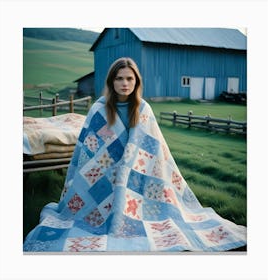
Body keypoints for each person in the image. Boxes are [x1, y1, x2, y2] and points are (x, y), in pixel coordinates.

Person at [23, 57, 246, 252]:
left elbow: (154, 150)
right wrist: (113, 170)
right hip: (103, 176)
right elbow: (89, 151)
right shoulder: (99, 110)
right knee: (83, 213)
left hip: (139, 174)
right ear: (111, 81)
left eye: (130, 79)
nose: (125, 83)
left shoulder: (143, 109)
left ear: (136, 82)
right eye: (119, 78)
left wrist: (128, 168)